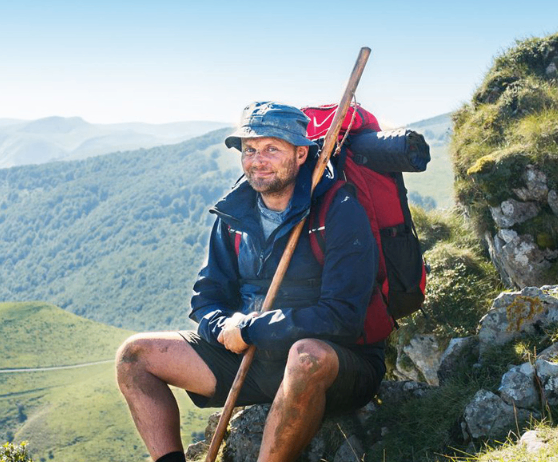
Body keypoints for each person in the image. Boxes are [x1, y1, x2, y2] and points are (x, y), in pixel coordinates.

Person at [116, 102, 385, 462]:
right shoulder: (235, 214)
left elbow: (342, 317)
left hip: (338, 365)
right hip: (254, 360)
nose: (257, 160)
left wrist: (252, 328)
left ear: (301, 153)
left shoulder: (338, 210)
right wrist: (223, 326)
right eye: (249, 150)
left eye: (272, 149)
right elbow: (207, 296)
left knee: (307, 356)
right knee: (134, 356)